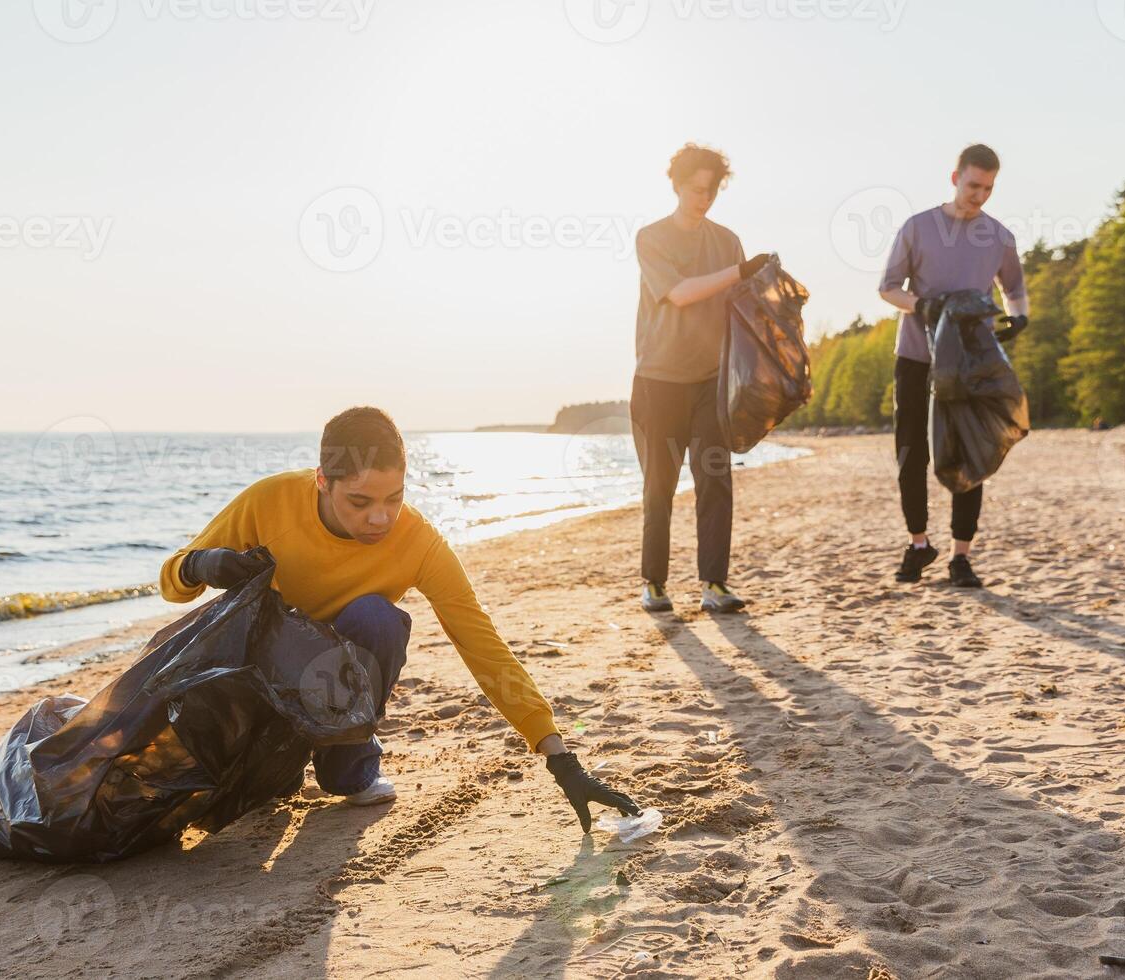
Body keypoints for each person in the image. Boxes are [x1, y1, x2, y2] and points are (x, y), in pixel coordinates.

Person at [157, 406, 640, 834]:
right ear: (322, 480)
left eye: (394, 498)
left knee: (379, 618)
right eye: (361, 502)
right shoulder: (270, 500)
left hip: (328, 683)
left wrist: (559, 756)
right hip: (258, 676)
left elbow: (480, 642)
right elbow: (172, 584)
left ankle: (348, 766)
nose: (381, 519)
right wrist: (201, 564)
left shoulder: (418, 541)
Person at [879, 144, 1030, 588]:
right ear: (954, 178)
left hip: (971, 363)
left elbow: (1015, 288)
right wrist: (922, 305)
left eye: (987, 188)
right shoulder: (918, 227)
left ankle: (961, 556)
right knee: (911, 452)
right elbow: (887, 287)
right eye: (972, 185)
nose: (979, 195)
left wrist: (1018, 317)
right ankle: (919, 544)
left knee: (970, 449)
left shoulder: (999, 237)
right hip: (916, 357)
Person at [630, 143, 771, 615]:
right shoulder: (651, 238)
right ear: (677, 184)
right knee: (660, 485)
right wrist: (738, 271)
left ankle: (714, 584)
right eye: (696, 189)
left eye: (711, 191)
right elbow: (682, 294)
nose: (704, 199)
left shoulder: (727, 240)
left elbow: (745, 303)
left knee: (715, 478)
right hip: (658, 380)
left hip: (712, 380)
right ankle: (654, 582)